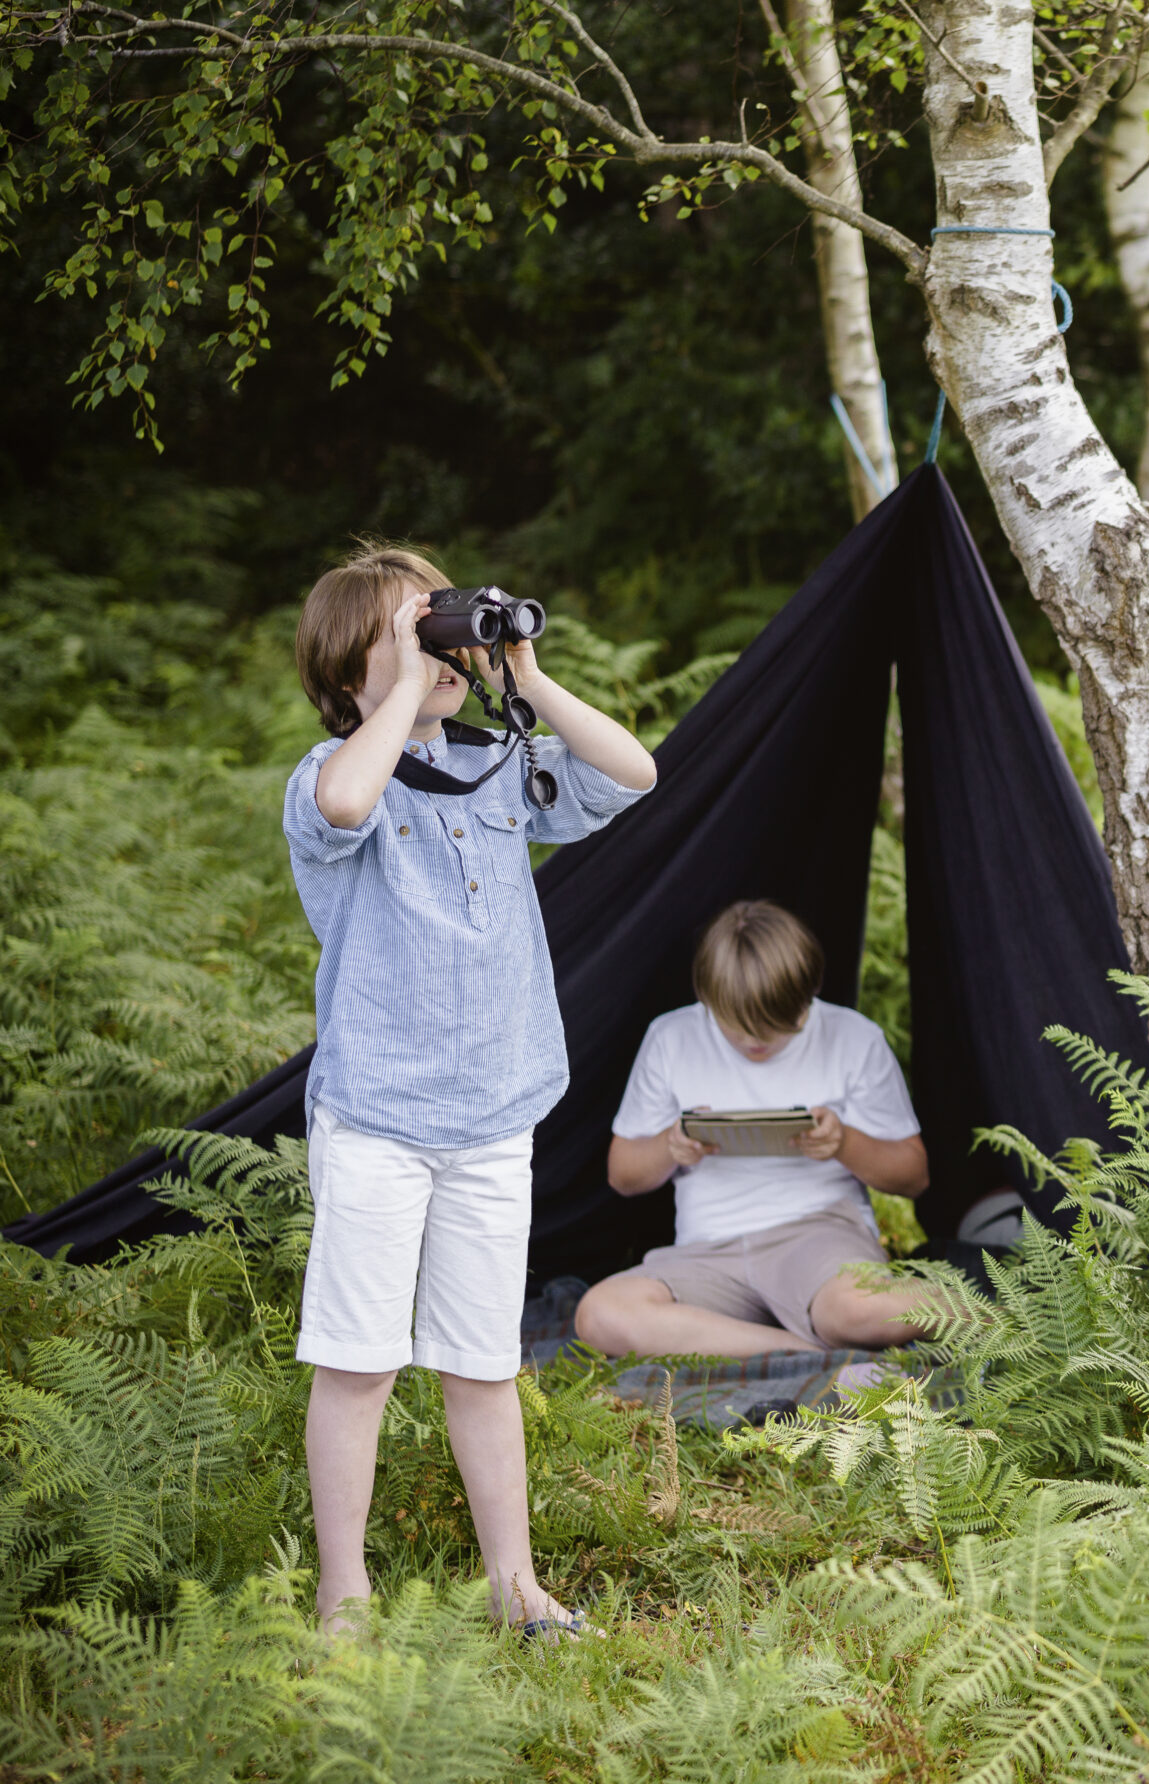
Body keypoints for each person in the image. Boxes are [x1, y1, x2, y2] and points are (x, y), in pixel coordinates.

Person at [285, 543, 656, 1640]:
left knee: (484, 1361)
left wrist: (526, 679)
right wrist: (400, 685)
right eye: (406, 636)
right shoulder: (325, 775)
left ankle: (514, 1579)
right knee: (359, 1359)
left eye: (440, 628)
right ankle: (342, 1590)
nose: (436, 651)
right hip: (380, 1119)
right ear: (347, 674)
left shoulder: (498, 763)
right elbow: (353, 798)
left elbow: (631, 772)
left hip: (494, 1114)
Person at [574, 900, 935, 1359]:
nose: (755, 1041)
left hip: (820, 1238)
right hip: (707, 1253)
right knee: (601, 1314)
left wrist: (843, 1142)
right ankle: (802, 1351)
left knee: (853, 1311)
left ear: (809, 994)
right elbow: (622, 1176)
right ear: (707, 999)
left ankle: (991, 1314)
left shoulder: (853, 1038)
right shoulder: (672, 1038)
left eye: (777, 1026)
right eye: (736, 1027)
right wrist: (672, 1145)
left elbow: (913, 1177)